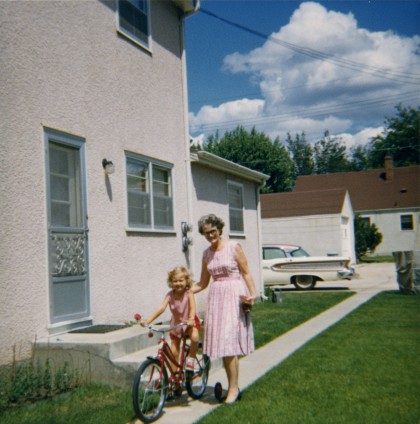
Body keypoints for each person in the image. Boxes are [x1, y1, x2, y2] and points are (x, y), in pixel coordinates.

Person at [191, 214, 257, 404]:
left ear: (220, 229)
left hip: (234, 296)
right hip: (216, 298)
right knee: (223, 344)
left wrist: (252, 295)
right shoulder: (206, 254)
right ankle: (233, 386)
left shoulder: (233, 247)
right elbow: (203, 283)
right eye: (206, 233)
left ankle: (233, 389)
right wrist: (185, 290)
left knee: (229, 343)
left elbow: (246, 273)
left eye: (213, 231)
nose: (210, 235)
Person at [141, 266, 200, 371]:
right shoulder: (169, 295)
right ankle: (175, 380)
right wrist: (148, 321)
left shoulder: (189, 293)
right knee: (174, 353)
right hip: (176, 325)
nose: (178, 283)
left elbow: (192, 308)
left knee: (195, 337)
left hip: (189, 323)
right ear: (171, 282)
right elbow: (161, 308)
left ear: (187, 281)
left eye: (181, 280)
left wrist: (191, 319)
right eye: (175, 281)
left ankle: (191, 359)